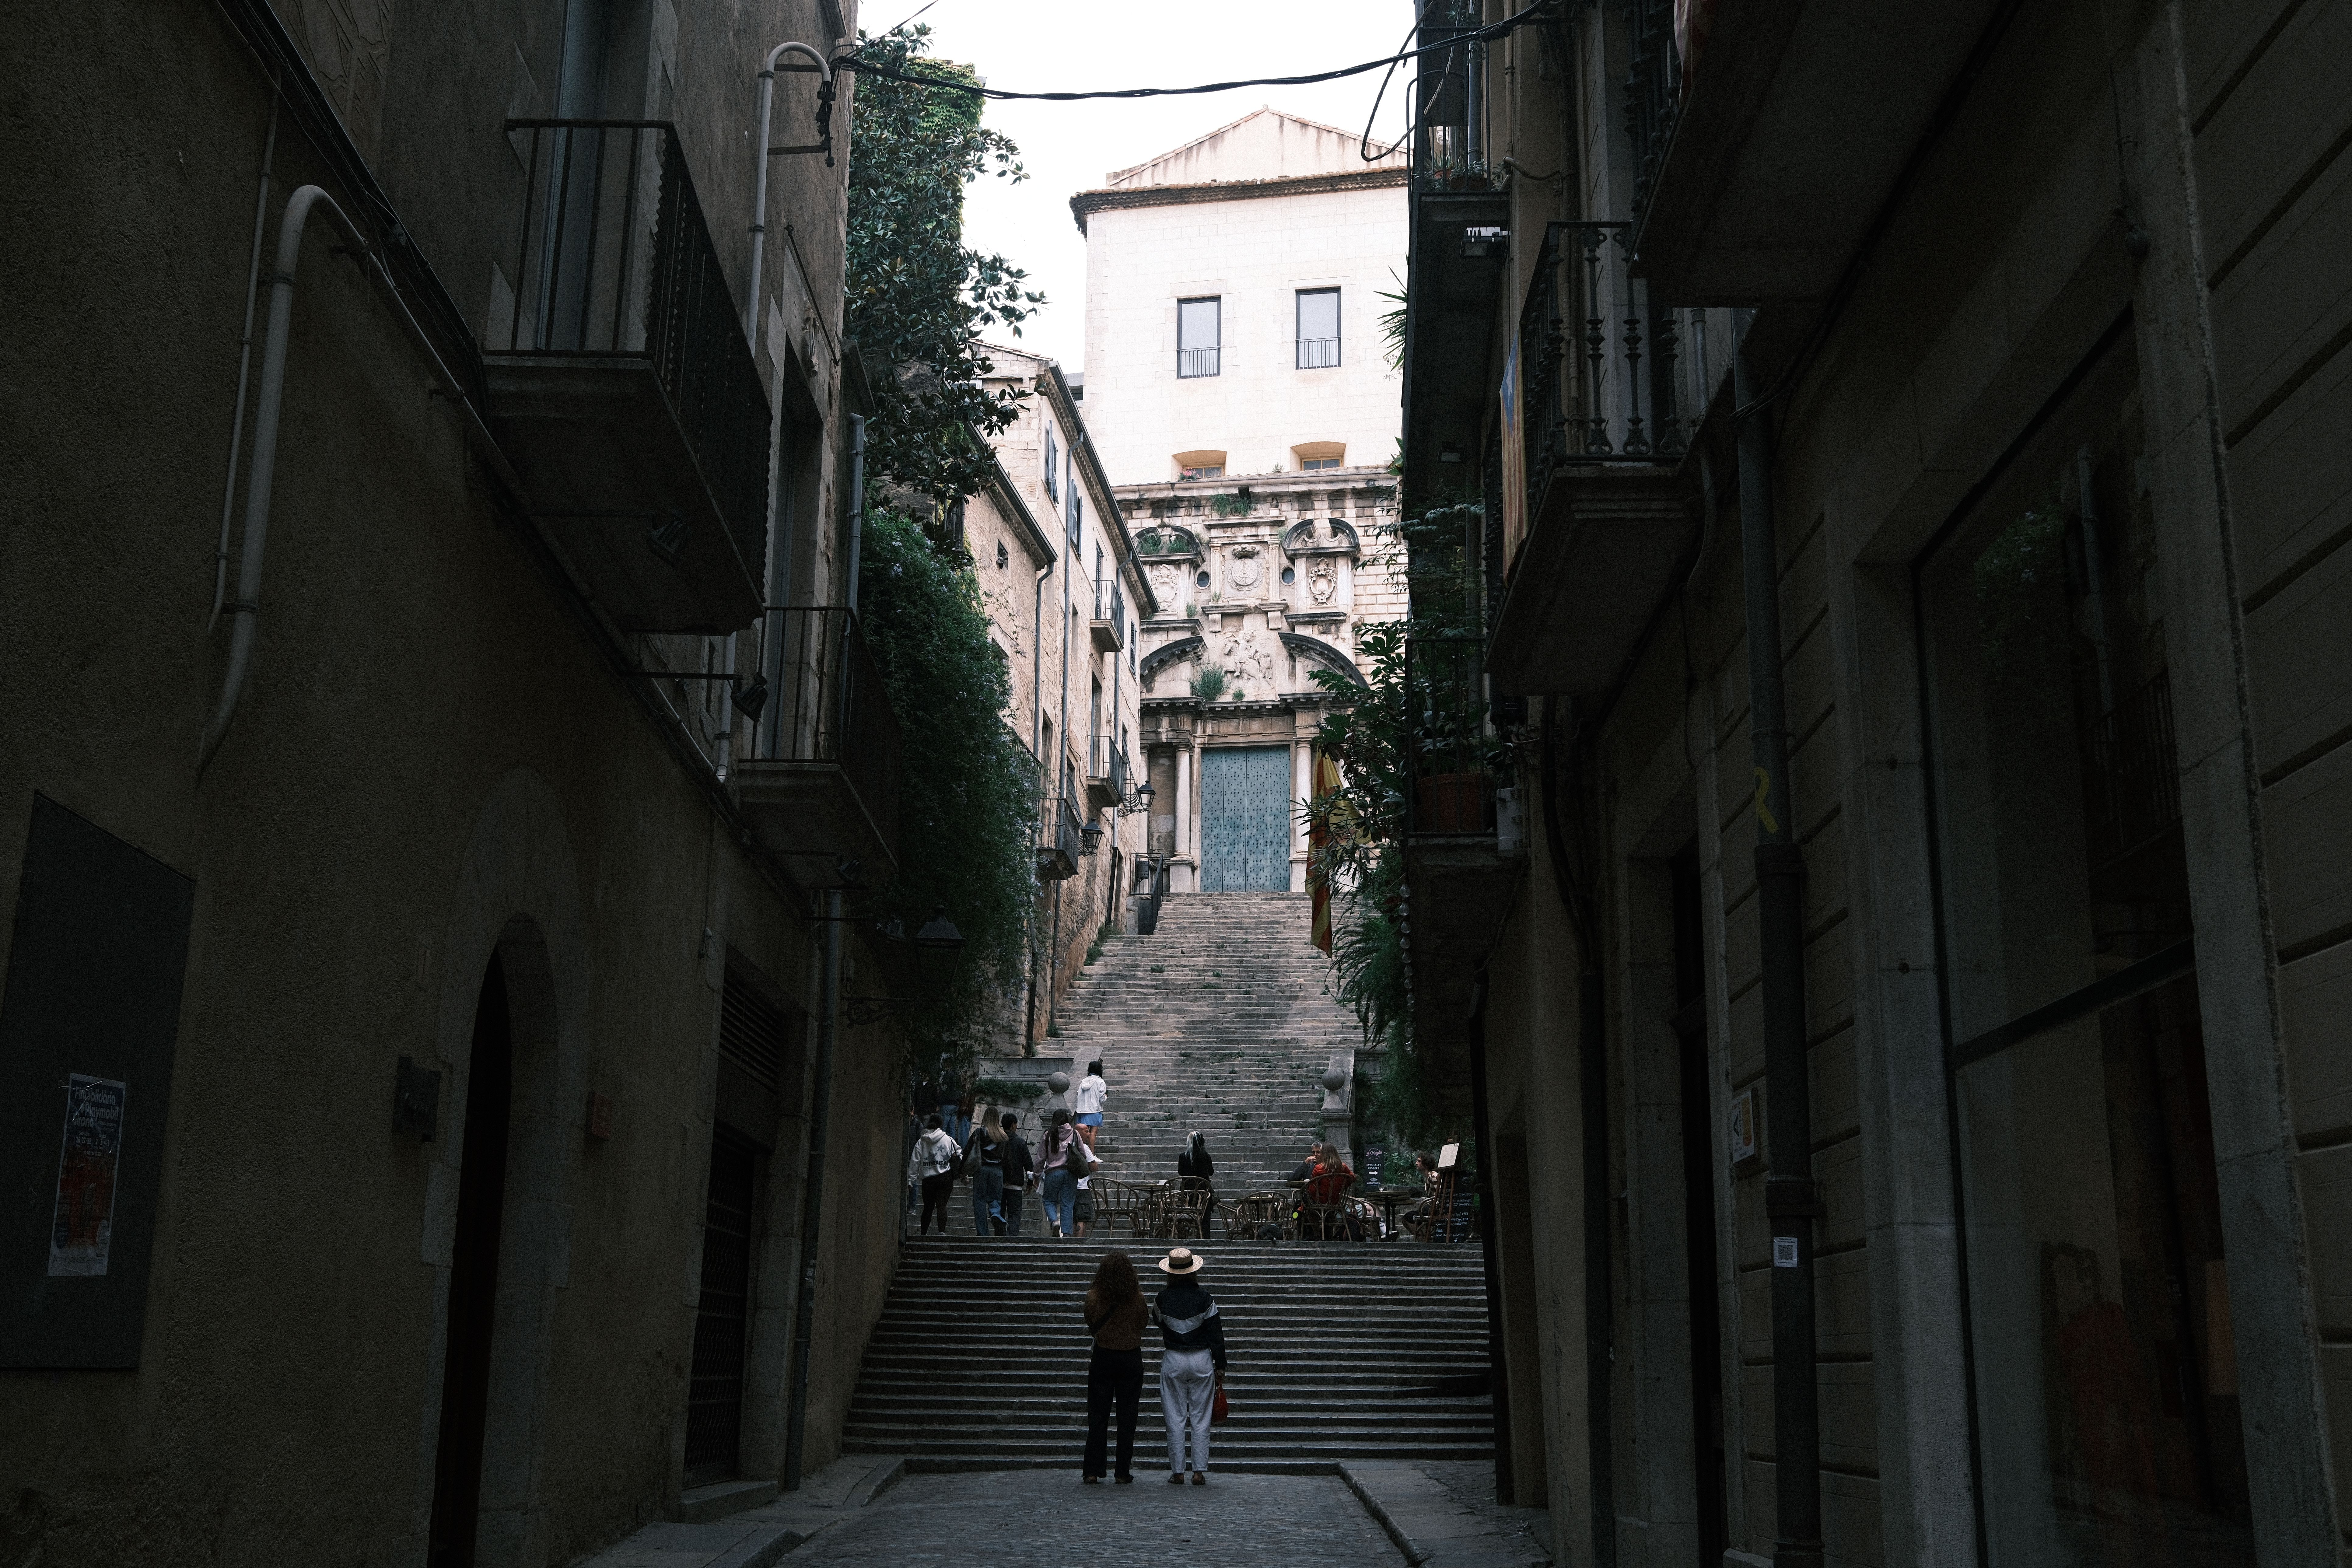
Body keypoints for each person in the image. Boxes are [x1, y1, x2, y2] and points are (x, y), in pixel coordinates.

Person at [1151, 1247, 1227, 1484]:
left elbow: (1158, 1321)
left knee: (1174, 1417)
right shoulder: (1205, 1298)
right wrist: (1221, 1365)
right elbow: (1216, 1333)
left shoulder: (1162, 1299)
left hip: (1174, 1358)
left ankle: (1178, 1472)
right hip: (1202, 1358)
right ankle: (1198, 1472)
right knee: (1201, 1417)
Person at [1080, 1250, 1149, 1483]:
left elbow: (1090, 1322)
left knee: (1098, 1416)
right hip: (1130, 1358)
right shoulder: (1138, 1299)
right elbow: (1143, 1324)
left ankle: (1092, 1470)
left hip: (1103, 1358)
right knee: (1127, 1418)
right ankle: (1122, 1472)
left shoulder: (1092, 1297)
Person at [906, 1115, 960, 1236]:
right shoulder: (948, 1139)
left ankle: (924, 1234)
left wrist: (911, 1181)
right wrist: (963, 1173)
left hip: (929, 1180)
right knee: (942, 1206)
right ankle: (942, 1232)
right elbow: (959, 1154)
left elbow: (915, 1161)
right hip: (945, 1178)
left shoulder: (922, 1141)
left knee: (928, 1208)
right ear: (941, 1125)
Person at [1040, 1109, 1084, 1238]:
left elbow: (1041, 1158)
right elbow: (1083, 1155)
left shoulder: (1048, 1135)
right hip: (1070, 1174)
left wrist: (1037, 1175)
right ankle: (1067, 1234)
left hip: (1053, 1174)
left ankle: (1055, 1221)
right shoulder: (1075, 1134)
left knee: (1049, 1200)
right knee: (1068, 1204)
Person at [967, 1118, 1006, 1237]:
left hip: (982, 1169)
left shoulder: (980, 1132)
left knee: (980, 1201)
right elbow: (1007, 1157)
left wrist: (962, 1171)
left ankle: (983, 1233)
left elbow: (969, 1149)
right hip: (998, 1171)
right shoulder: (1003, 1135)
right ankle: (995, 1214)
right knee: (995, 1199)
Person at [998, 1110, 1034, 1237]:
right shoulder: (1020, 1142)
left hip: (999, 1184)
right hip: (1016, 1186)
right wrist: (1030, 1183)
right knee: (1014, 1213)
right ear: (1013, 1125)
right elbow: (1029, 1166)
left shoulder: (998, 1141)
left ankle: (1000, 1236)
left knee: (999, 1211)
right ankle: (1012, 1237)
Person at [1176, 1131, 1215, 1238]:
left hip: (1187, 1196)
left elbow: (1181, 1172)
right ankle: (1205, 1237)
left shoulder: (1183, 1157)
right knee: (1206, 1207)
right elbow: (1211, 1172)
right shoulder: (1207, 1157)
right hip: (1203, 1196)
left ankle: (1182, 1237)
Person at [1073, 1059, 1107, 1147]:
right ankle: (1091, 1154)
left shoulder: (1084, 1082)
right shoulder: (1100, 1082)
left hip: (1082, 1110)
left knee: (1081, 1133)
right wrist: (1106, 1097)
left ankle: (1081, 1152)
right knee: (1093, 1133)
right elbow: (1102, 1099)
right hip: (1094, 1110)